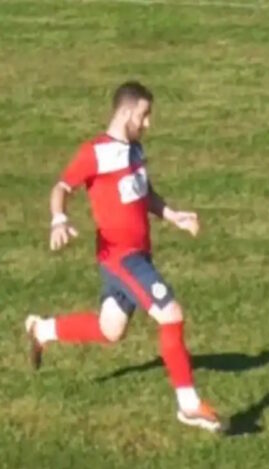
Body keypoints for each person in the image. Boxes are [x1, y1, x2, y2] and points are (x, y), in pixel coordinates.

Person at [24, 81, 223, 432]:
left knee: (110, 330)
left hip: (136, 255)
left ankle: (43, 329)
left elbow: (145, 194)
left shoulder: (135, 150)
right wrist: (59, 219)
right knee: (171, 314)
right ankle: (189, 405)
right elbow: (62, 187)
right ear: (127, 112)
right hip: (121, 257)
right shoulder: (95, 152)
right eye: (144, 116)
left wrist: (173, 216)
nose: (148, 123)